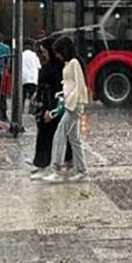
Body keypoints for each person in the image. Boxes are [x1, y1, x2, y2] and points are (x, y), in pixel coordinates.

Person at [41, 37, 90, 182]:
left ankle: (56, 170)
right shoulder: (71, 63)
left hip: (73, 105)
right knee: (74, 139)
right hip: (72, 103)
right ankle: (82, 171)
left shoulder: (74, 63)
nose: (57, 55)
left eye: (58, 52)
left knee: (60, 134)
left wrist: (69, 102)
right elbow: (72, 84)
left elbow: (79, 85)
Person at [29, 39, 72, 179]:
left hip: (52, 105)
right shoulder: (47, 65)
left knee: (51, 135)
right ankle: (45, 163)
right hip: (45, 104)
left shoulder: (58, 67)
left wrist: (52, 109)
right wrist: (37, 94)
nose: (43, 55)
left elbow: (59, 90)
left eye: (44, 52)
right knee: (47, 134)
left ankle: (49, 164)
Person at [22, 41, 40, 111]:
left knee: (22, 95)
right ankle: (31, 109)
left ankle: (21, 109)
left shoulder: (21, 55)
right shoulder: (35, 55)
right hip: (33, 77)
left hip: (23, 77)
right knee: (32, 94)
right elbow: (39, 66)